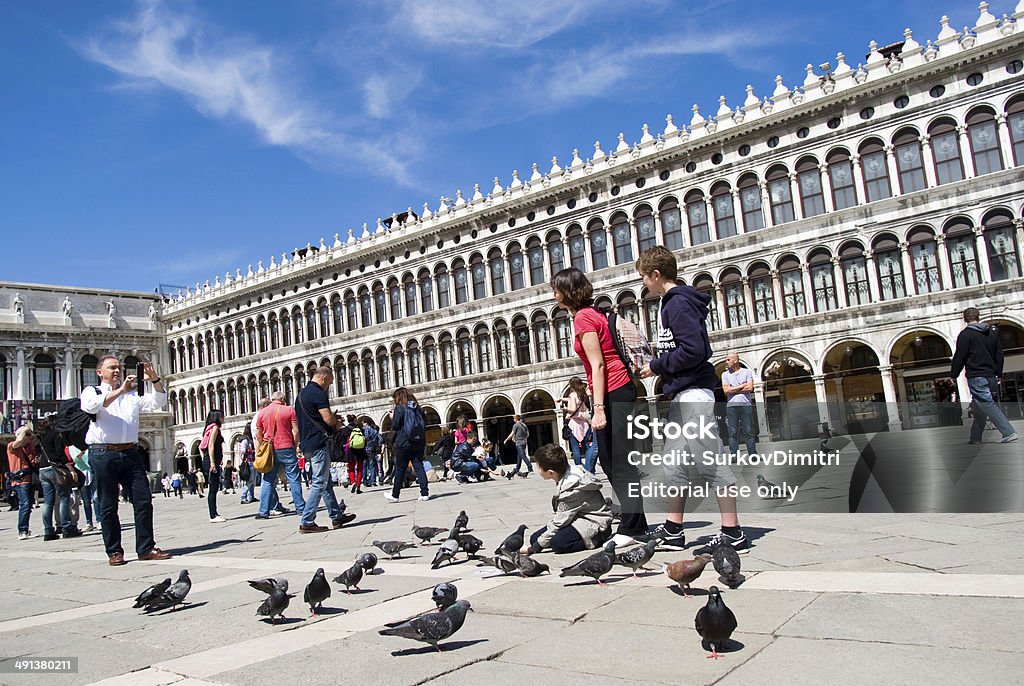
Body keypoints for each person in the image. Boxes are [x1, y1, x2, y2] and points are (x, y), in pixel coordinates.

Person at [636, 246, 747, 553]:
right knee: (674, 462)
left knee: (710, 459)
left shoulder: (678, 304)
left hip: (695, 392)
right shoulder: (672, 302)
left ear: (656, 275)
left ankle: (733, 532)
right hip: (682, 393)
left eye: (644, 277)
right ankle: (673, 529)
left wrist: (657, 365)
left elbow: (695, 350)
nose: (643, 283)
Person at [553, 267, 648, 547]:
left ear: (567, 292)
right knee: (617, 460)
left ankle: (633, 528)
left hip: (613, 390)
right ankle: (635, 522)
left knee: (615, 462)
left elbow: (598, 364)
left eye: (557, 289)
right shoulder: (594, 312)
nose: (554, 294)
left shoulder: (582, 317)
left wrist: (598, 408)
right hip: (619, 388)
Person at [80, 355, 172, 566]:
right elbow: (91, 407)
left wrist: (154, 379)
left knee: (143, 500)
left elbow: (159, 401)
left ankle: (146, 547)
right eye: (111, 368)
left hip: (130, 452)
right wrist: (120, 390)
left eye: (119, 368)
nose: (116, 371)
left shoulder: (132, 395)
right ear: (99, 372)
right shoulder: (91, 391)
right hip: (103, 453)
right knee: (108, 504)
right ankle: (114, 551)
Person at [521, 444, 612, 555]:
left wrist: (534, 548)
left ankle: (597, 538)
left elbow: (559, 522)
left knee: (557, 544)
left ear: (550, 472)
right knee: (535, 538)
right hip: (577, 516)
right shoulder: (565, 472)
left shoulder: (571, 490)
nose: (538, 470)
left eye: (539, 467)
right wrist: (538, 543)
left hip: (595, 521)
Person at [295, 366, 356, 532]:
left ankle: (336, 516)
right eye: (329, 382)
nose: (328, 386)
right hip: (318, 442)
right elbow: (327, 419)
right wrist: (335, 421)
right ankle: (307, 521)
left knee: (326, 481)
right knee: (320, 482)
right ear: (323, 378)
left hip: (307, 443)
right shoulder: (318, 393)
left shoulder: (301, 395)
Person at [950, 307, 1018, 444]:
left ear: (964, 319)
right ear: (978, 317)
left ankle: (1008, 432)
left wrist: (954, 374)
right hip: (991, 375)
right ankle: (975, 438)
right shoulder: (991, 334)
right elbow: (999, 354)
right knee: (978, 405)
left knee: (986, 404)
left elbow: (960, 356)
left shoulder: (965, 335)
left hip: (977, 375)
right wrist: (998, 373)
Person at [255, 390, 306, 519]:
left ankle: (263, 511)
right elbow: (296, 431)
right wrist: (294, 446)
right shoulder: (289, 410)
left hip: (270, 448)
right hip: (286, 447)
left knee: (268, 480)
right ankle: (300, 508)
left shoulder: (262, 412)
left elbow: (258, 434)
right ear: (283, 399)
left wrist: (262, 446)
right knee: (293, 478)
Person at [36, 417, 81, 540]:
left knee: (48, 502)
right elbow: (60, 453)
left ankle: (48, 531)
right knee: (64, 498)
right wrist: (70, 469)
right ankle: (66, 528)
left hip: (42, 469)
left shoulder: (42, 436)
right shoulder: (56, 434)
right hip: (54, 469)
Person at [384, 387, 429, 502]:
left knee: (400, 469)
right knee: (419, 466)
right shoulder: (417, 407)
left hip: (404, 443)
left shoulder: (400, 408)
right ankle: (424, 493)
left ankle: (395, 495)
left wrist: (392, 417)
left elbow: (395, 426)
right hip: (418, 441)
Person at [722, 352, 757, 458]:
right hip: (731, 406)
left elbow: (750, 388)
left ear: (736, 360)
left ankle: (753, 454)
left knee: (748, 430)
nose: (726, 362)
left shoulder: (747, 372)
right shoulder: (725, 374)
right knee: (732, 432)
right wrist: (742, 386)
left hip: (745, 405)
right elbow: (726, 391)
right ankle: (734, 455)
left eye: (728, 359)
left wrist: (732, 388)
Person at [7, 425, 37, 540]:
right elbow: (19, 440)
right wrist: (25, 429)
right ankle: (22, 530)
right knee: (24, 505)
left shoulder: (29, 447)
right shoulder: (12, 446)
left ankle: (25, 529)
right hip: (20, 481)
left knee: (28, 505)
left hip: (29, 479)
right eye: (27, 436)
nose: (29, 438)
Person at [564, 376, 597, 473]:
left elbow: (573, 409)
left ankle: (579, 469)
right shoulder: (582, 395)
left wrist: (566, 409)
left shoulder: (572, 395)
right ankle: (590, 467)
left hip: (574, 424)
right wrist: (562, 399)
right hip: (584, 424)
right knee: (586, 446)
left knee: (575, 448)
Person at [200, 410, 227, 523]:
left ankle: (214, 513)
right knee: (213, 488)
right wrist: (212, 462)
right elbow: (211, 445)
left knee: (213, 488)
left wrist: (204, 459)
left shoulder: (207, 428)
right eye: (222, 416)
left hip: (208, 460)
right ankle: (213, 515)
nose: (223, 419)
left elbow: (201, 447)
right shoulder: (215, 427)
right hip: (212, 461)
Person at [361, 418, 383, 487]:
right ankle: (373, 481)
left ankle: (364, 481)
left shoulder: (365, 429)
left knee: (364, 466)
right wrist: (377, 446)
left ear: (365, 423)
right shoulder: (374, 430)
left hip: (365, 449)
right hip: (372, 449)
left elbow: (366, 437)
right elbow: (381, 439)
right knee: (372, 465)